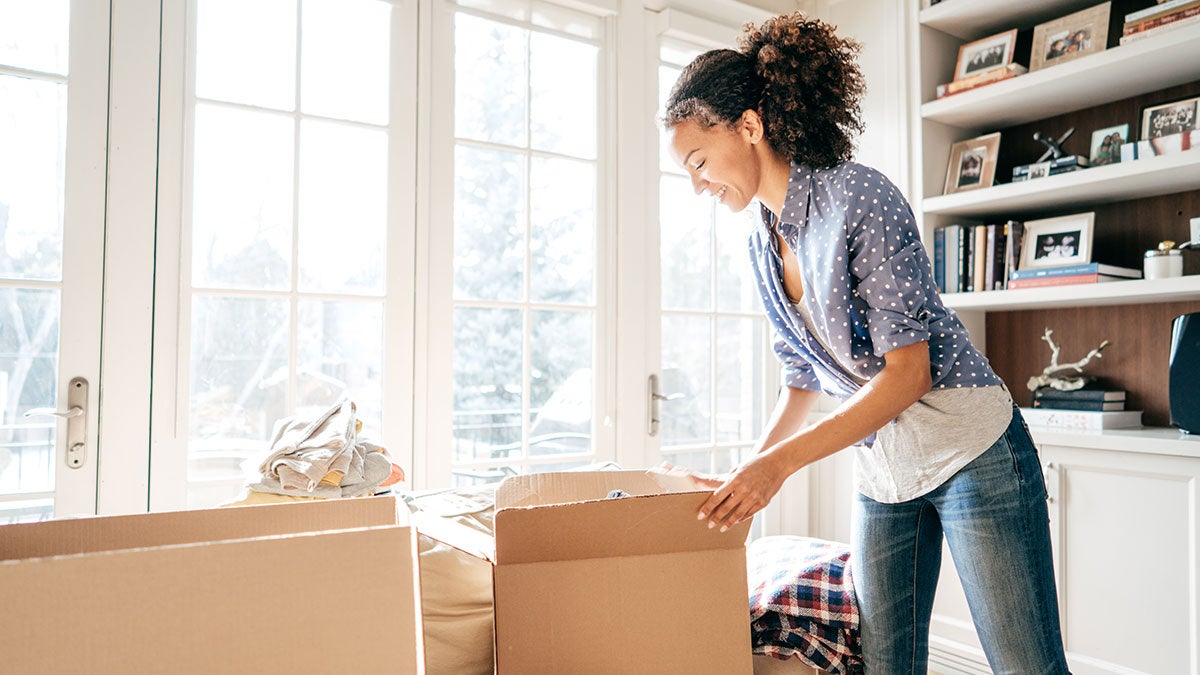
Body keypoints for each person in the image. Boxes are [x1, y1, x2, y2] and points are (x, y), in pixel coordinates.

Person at [661, 12, 1071, 674]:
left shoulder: (858, 196)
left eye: (699, 161)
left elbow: (909, 374)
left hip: (974, 451)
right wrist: (747, 479)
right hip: (885, 472)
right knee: (884, 666)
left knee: (1027, 666)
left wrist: (777, 469)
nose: (697, 183)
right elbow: (801, 377)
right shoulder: (760, 243)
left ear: (749, 126)